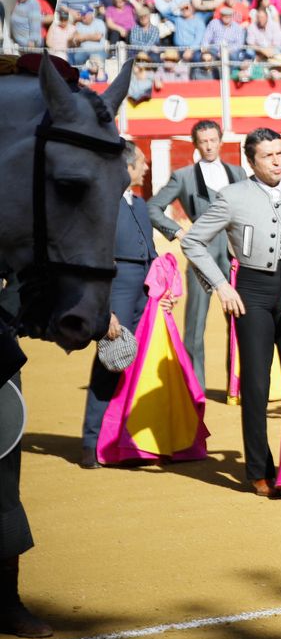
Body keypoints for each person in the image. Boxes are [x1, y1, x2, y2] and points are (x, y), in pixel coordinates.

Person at [181, 128, 281, 495]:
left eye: (280, 153)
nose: (277, 161)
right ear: (250, 162)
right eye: (268, 156)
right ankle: (258, 469)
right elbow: (193, 241)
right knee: (256, 384)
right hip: (252, 292)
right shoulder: (232, 196)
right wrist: (221, 285)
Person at [148, 120, 247, 389]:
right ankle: (195, 388)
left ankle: (239, 387)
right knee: (195, 324)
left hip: (234, 255)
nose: (209, 146)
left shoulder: (237, 173)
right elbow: (153, 207)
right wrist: (178, 232)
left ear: (220, 141)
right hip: (200, 255)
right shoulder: (183, 177)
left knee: (239, 321)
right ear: (196, 144)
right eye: (203, 142)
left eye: (213, 140)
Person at [80, 145, 156, 470]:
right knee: (110, 360)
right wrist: (105, 308)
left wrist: (160, 288)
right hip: (117, 286)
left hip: (143, 288)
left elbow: (150, 251)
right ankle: (91, 442)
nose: (146, 168)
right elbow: (95, 258)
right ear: (126, 167)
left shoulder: (139, 204)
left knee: (135, 365)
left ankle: (121, 441)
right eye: (141, 163)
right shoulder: (103, 203)